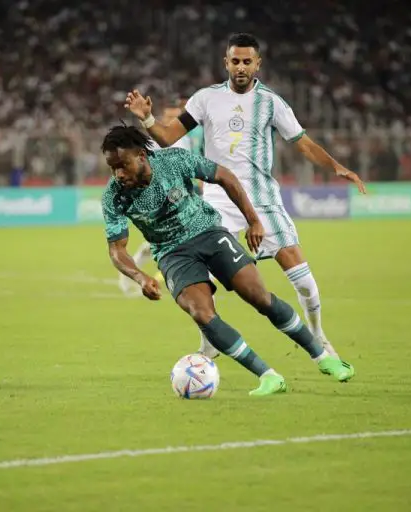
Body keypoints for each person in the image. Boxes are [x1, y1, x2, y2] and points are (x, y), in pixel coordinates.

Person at [125, 32, 367, 359]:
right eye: (235, 61)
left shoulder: (271, 103)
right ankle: (209, 345)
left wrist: (336, 167)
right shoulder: (205, 99)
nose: (241, 67)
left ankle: (318, 334)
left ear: (258, 64)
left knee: (302, 277)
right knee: (202, 279)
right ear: (226, 62)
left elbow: (304, 143)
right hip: (217, 200)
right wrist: (148, 118)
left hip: (262, 199)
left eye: (247, 61)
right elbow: (168, 137)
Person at [101, 124, 355, 396]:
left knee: (259, 296)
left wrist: (253, 221)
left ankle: (323, 357)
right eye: (113, 168)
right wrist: (141, 277)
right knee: (202, 314)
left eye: (123, 165)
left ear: (141, 155)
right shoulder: (114, 196)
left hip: (208, 233)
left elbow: (225, 176)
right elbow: (117, 250)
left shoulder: (174, 160)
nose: (118, 174)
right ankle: (268, 377)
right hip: (172, 253)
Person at [118, 99, 205, 297]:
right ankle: (133, 272)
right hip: (164, 196)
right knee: (165, 240)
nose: (174, 119)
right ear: (163, 117)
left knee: (185, 237)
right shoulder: (154, 140)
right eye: (170, 116)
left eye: (177, 116)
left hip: (185, 193)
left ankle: (193, 277)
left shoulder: (187, 139)